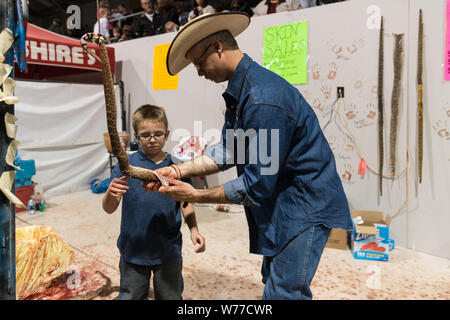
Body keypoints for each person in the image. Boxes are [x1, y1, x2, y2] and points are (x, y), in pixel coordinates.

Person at [145, 12, 353, 300]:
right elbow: (230, 149)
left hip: (304, 206)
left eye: (199, 63)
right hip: (282, 201)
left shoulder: (262, 98)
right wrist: (180, 171)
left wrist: (194, 195)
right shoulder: (241, 92)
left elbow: (257, 184)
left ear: (217, 46)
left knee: (284, 292)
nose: (200, 72)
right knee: (273, 280)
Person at [102, 104, 206, 300]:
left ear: (167, 134)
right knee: (130, 296)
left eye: (158, 134)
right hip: (133, 249)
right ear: (136, 136)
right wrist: (109, 193)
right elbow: (109, 208)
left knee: (171, 296)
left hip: (168, 249)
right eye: (145, 135)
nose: (152, 140)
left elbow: (186, 202)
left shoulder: (178, 167)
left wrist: (194, 228)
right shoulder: (125, 166)